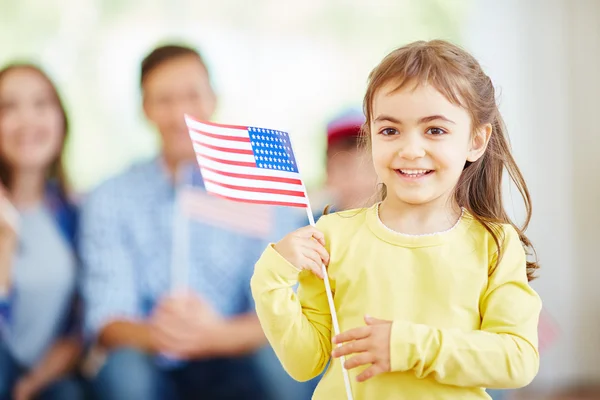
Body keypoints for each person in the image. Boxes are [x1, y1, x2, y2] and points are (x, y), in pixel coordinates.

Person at [250, 40, 542, 399]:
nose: (410, 149)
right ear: (370, 135)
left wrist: (406, 346)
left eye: (435, 130)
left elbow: (518, 359)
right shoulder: (332, 236)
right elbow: (304, 362)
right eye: (390, 130)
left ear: (476, 140)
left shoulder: (494, 244)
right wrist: (270, 276)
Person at [79, 44, 275, 400]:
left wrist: (214, 335)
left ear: (214, 98)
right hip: (151, 356)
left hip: (235, 354)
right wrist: (166, 333)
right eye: (164, 100)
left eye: (192, 95)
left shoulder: (257, 187)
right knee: (122, 371)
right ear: (145, 108)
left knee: (281, 358)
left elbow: (285, 306)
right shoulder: (111, 197)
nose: (180, 113)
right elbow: (107, 317)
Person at [0, 65, 83, 400]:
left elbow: (81, 327)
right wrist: (6, 241)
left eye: (41, 104)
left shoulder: (74, 214)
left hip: (42, 377)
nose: (27, 120)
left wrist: (30, 385)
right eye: (8, 108)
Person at [316, 107, 377, 214]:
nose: (358, 181)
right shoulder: (312, 227)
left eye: (369, 166)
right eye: (344, 168)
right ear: (328, 175)